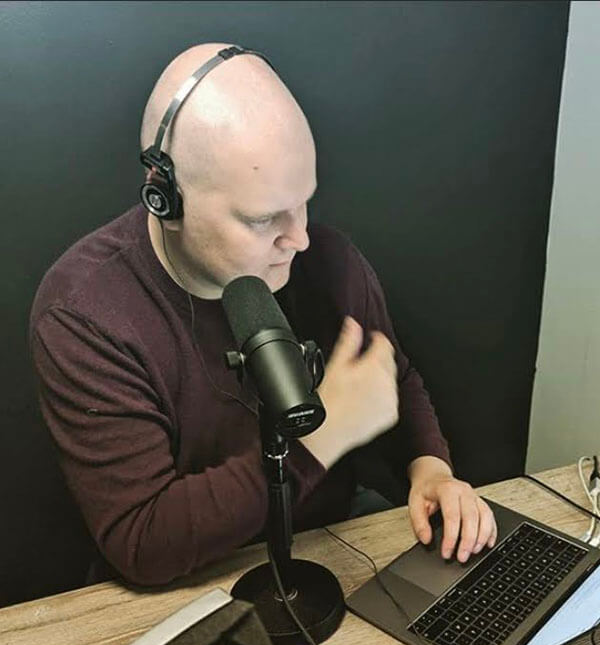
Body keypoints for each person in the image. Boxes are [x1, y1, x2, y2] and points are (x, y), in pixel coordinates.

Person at [29, 43, 496, 587]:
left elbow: (391, 377)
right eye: (261, 219)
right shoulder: (84, 314)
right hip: (190, 576)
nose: (298, 238)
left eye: (303, 203)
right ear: (166, 200)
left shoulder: (327, 261)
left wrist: (431, 469)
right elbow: (144, 540)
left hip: (329, 544)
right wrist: (323, 436)